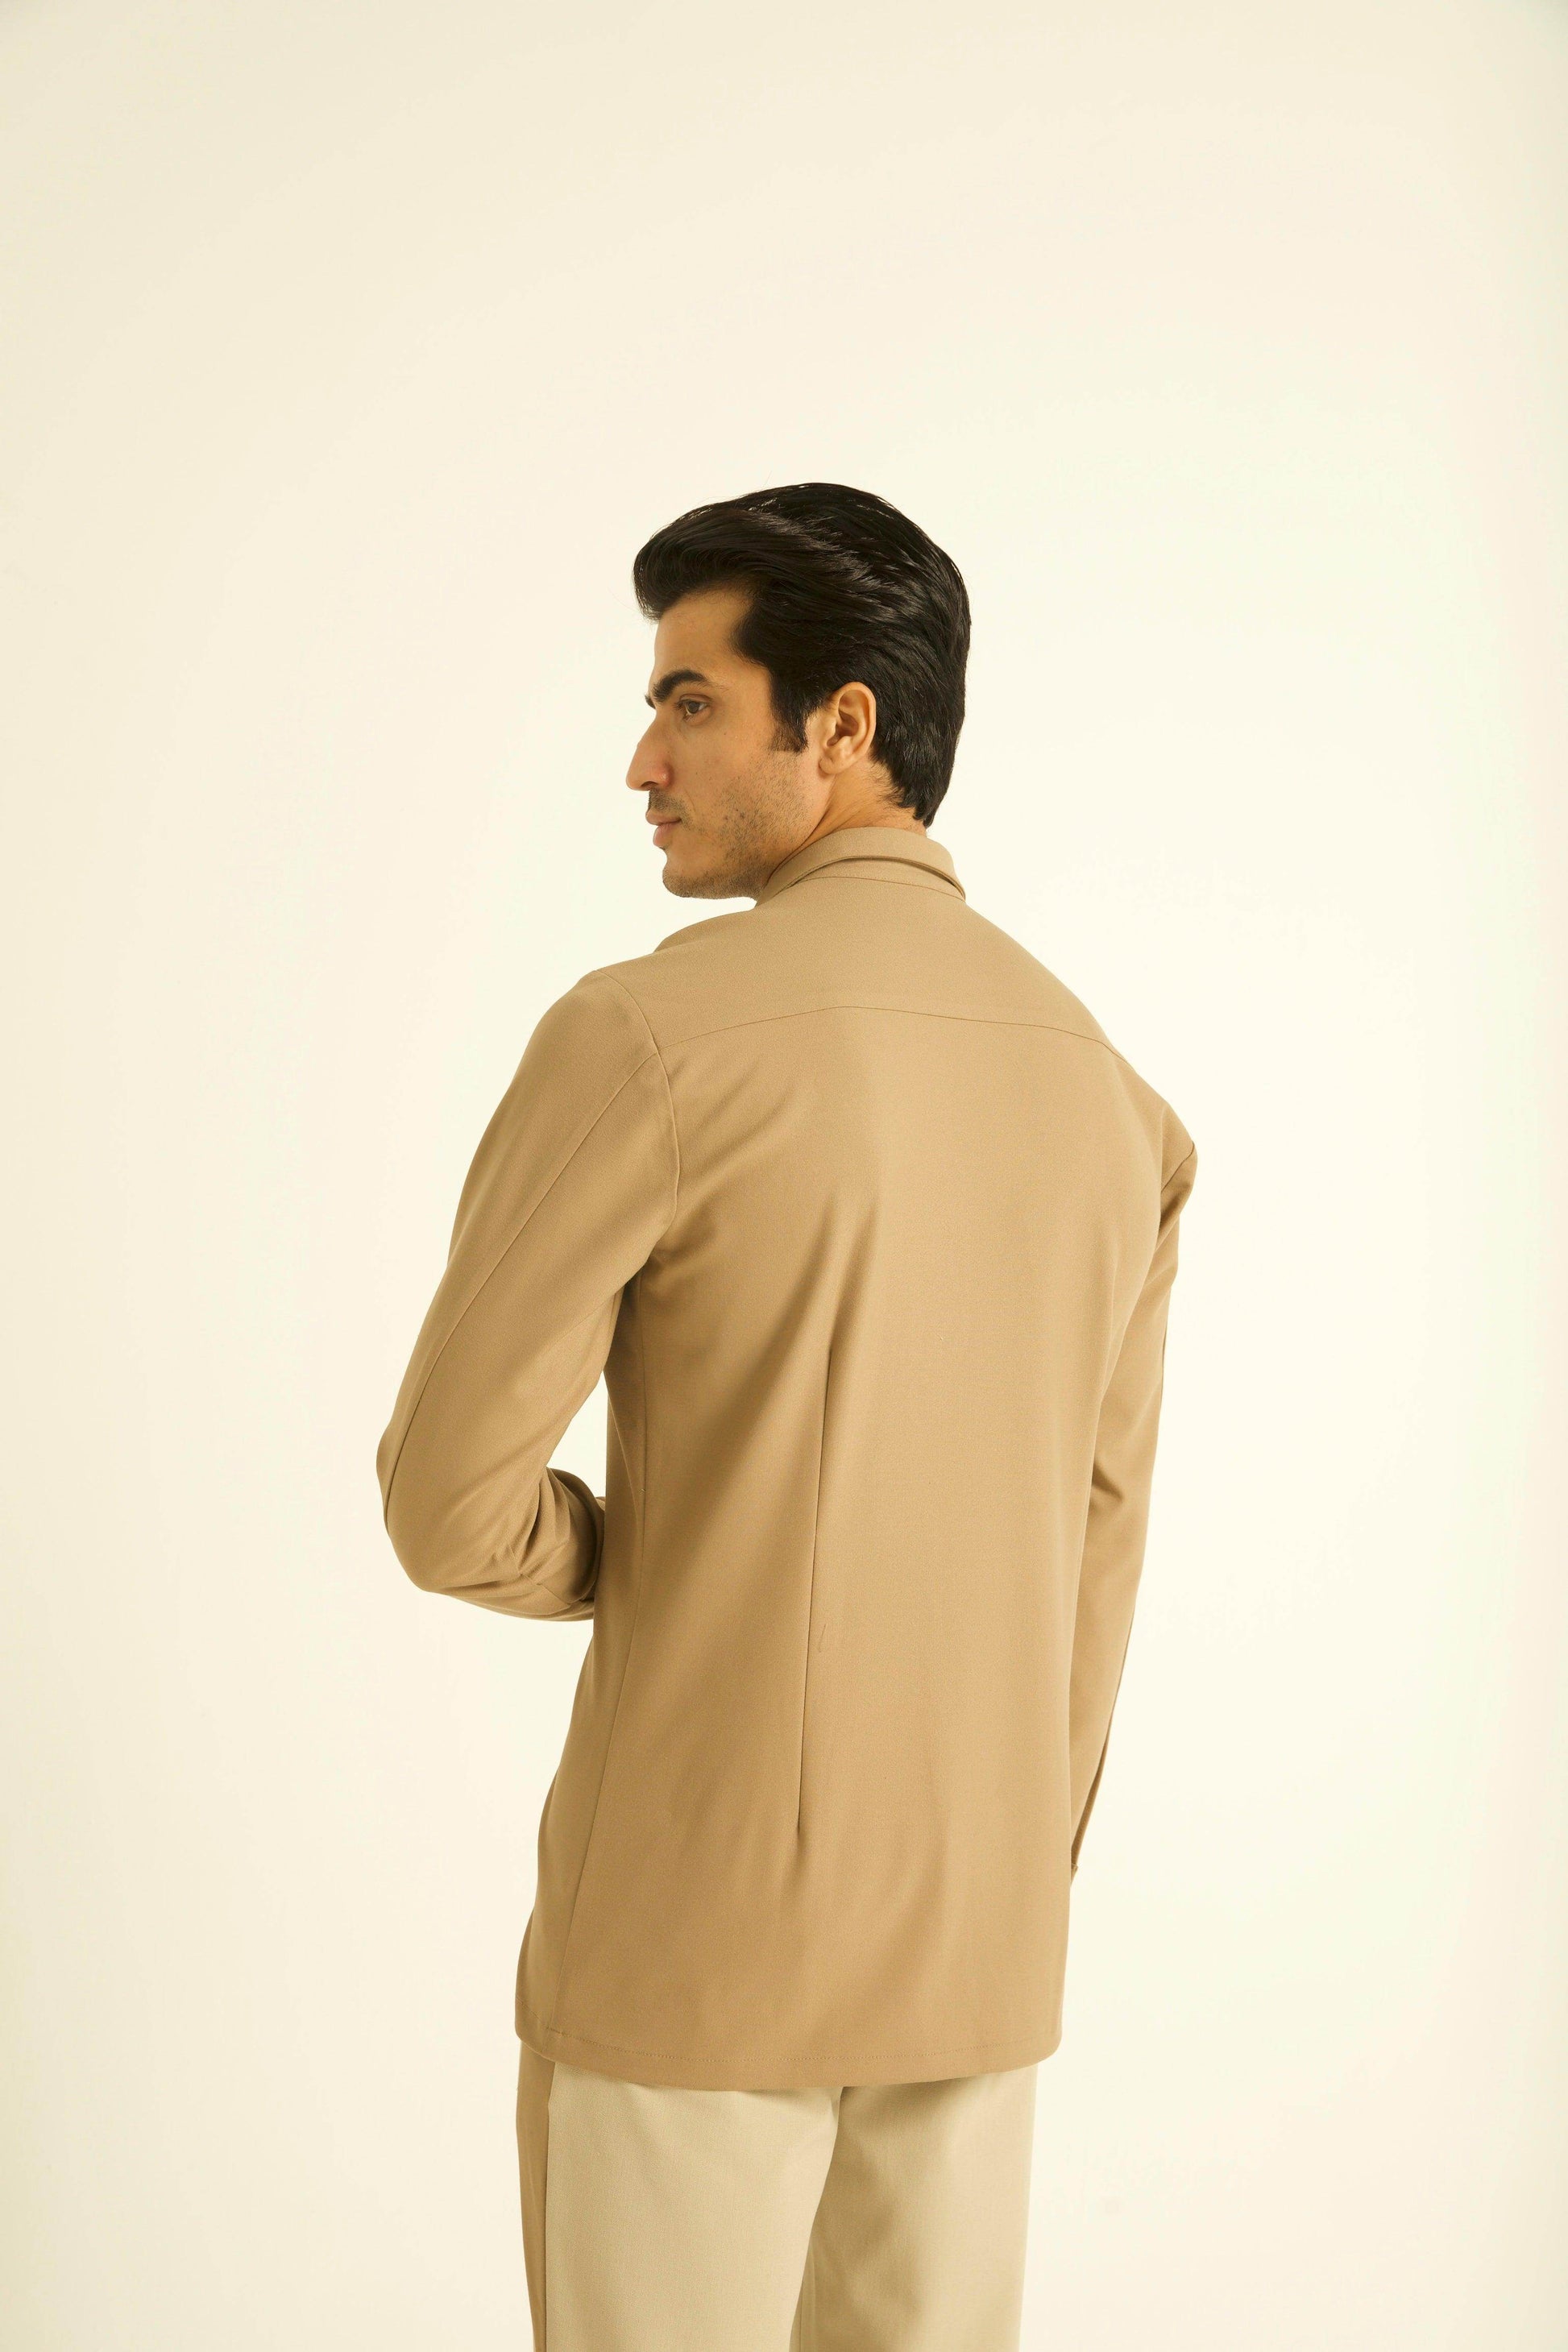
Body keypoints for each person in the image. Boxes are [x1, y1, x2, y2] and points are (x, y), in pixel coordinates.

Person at [375, 483, 1198, 2351]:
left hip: (695, 1939)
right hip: (978, 1947)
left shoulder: (648, 1040)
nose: (641, 760)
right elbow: (1096, 1546)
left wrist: (659, 1553)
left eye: (688, 701)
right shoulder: (1112, 1099)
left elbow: (446, 1501)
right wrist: (1004, 1870)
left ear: (839, 725)